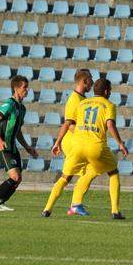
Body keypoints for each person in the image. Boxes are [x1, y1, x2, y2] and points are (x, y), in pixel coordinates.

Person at [62, 78, 128, 218]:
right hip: (95, 146)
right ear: (106, 91)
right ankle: (115, 211)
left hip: (78, 146)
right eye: (109, 90)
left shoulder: (83, 103)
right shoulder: (108, 105)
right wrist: (120, 143)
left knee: (80, 174)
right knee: (113, 172)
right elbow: (110, 125)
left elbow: (71, 124)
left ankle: (72, 205)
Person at [41, 69, 94, 217]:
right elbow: (68, 124)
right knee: (88, 171)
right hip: (73, 142)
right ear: (84, 81)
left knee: (72, 176)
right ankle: (74, 204)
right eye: (90, 79)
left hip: (80, 142)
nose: (92, 82)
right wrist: (57, 142)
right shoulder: (74, 100)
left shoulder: (83, 99)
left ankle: (49, 209)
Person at [0, 75, 38, 211]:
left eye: (27, 87)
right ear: (16, 89)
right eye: (24, 87)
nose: (27, 90)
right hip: (1, 146)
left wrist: (27, 147)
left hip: (12, 147)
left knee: (18, 178)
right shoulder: (8, 104)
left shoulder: (22, 109)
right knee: (14, 176)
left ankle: (1, 202)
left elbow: (17, 130)